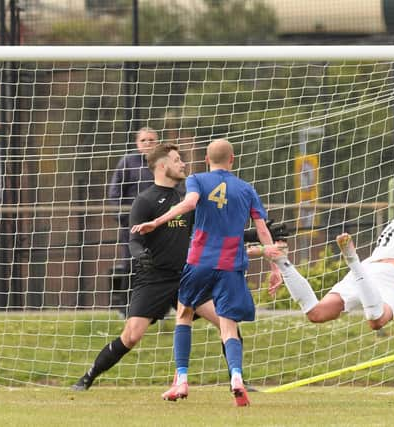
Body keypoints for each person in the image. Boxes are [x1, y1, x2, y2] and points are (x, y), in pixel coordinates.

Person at [131, 138, 281, 407]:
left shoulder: (197, 180)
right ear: (232, 159)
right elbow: (262, 229)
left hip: (199, 261)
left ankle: (182, 380)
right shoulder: (247, 189)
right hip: (231, 265)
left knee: (184, 314)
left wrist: (156, 221)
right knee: (228, 324)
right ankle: (236, 376)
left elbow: (189, 204)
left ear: (206, 160)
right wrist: (274, 266)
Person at [72, 143, 221, 391]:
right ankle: (88, 376)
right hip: (153, 279)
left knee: (224, 321)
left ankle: (238, 379)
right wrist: (142, 256)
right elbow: (134, 241)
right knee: (131, 336)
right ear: (162, 166)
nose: (182, 164)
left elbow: (212, 232)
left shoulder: (187, 199)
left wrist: (254, 235)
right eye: (176, 160)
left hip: (185, 277)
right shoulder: (145, 201)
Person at [255, 182, 394, 331]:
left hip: (368, 270)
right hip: (385, 274)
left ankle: (282, 261)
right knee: (377, 321)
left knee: (316, 313)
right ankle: (353, 261)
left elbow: (385, 264)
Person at [108, 127, 160, 271]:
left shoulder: (163, 162)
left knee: (158, 262)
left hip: (158, 223)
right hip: (132, 223)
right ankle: (130, 292)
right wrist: (123, 216)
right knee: (132, 263)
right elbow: (115, 191)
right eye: (143, 140)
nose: (147, 143)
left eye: (151, 140)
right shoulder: (128, 162)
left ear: (157, 143)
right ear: (137, 143)